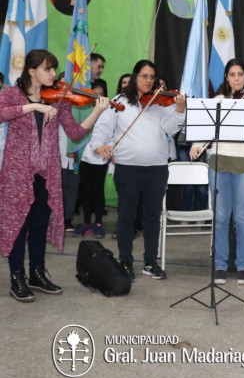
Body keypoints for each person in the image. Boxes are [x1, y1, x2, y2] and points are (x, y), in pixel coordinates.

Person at [0, 50, 109, 302]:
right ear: (31, 71)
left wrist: (96, 112)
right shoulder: (12, 95)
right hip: (19, 173)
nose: (52, 74)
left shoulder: (57, 99)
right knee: (19, 224)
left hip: (46, 172)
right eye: (48, 69)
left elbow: (74, 133)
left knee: (39, 223)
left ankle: (37, 273)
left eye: (53, 69)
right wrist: (35, 106)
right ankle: (17, 277)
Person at [90, 60, 186, 281]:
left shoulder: (160, 102)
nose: (148, 81)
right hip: (127, 168)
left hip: (157, 169)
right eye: (144, 76)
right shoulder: (119, 102)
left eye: (152, 77)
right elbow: (102, 128)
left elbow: (170, 130)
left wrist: (179, 111)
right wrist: (99, 145)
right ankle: (125, 261)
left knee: (152, 217)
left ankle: (150, 263)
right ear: (135, 77)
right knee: (127, 215)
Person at [190, 59, 244, 285]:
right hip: (219, 162)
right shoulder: (218, 101)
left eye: (240, 74)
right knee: (221, 216)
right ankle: (220, 265)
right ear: (226, 77)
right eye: (232, 74)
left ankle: (243, 265)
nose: (236, 78)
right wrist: (196, 145)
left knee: (243, 217)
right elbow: (206, 129)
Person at [76, 78, 111, 239]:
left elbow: (110, 133)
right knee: (86, 190)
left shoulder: (109, 111)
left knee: (98, 190)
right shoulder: (85, 108)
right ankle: (86, 222)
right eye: (94, 94)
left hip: (100, 156)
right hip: (86, 156)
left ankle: (98, 223)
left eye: (100, 95)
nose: (97, 98)